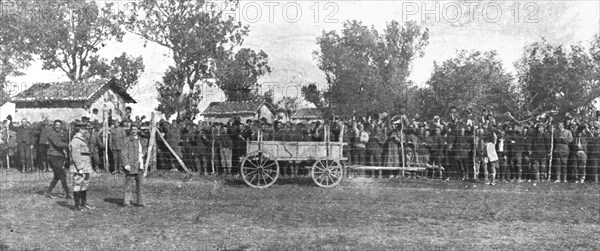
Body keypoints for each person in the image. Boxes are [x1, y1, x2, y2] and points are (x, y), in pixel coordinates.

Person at [120, 123, 148, 207]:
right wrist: (125, 164)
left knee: (140, 183)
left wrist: (143, 154)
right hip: (130, 164)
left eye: (136, 129)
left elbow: (144, 148)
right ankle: (126, 202)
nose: (134, 131)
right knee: (128, 183)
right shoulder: (127, 140)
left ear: (138, 130)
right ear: (130, 130)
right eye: (132, 129)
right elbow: (123, 153)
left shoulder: (140, 139)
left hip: (139, 164)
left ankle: (140, 202)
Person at [69, 122, 95, 211]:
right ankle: (77, 205)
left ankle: (84, 203)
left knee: (85, 184)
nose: (85, 130)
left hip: (86, 165)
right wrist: (79, 168)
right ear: (80, 129)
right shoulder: (76, 140)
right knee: (78, 184)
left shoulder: (81, 139)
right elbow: (75, 155)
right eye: (84, 129)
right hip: (79, 166)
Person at [44, 120, 71, 199]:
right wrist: (68, 145)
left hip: (60, 156)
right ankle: (68, 193)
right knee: (62, 174)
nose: (58, 126)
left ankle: (48, 192)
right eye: (56, 125)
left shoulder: (62, 133)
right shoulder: (51, 134)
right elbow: (57, 144)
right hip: (53, 156)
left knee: (57, 176)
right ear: (54, 126)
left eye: (59, 125)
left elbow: (64, 140)